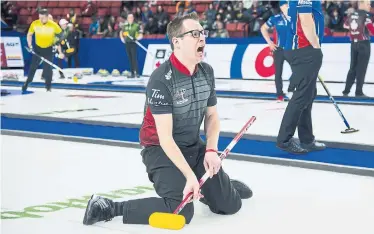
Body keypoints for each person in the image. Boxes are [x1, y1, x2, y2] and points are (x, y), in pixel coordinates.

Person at [83, 12, 252, 226]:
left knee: (231, 206)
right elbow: (165, 138)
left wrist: (211, 150)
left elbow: (212, 116)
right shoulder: (161, 79)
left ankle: (218, 189)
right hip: (160, 149)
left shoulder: (206, 72)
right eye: (195, 33)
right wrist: (190, 177)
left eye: (203, 32)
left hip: (192, 146)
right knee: (179, 210)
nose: (202, 37)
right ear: (177, 42)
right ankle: (109, 207)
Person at [276, 0, 326, 154]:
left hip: (300, 49)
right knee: (302, 96)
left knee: (308, 95)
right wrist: (316, 46)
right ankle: (284, 140)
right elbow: (305, 20)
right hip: (304, 49)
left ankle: (307, 139)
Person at [342, 0, 374, 97]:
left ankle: (346, 91)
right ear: (362, 4)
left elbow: (345, 25)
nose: (370, 6)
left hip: (353, 43)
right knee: (361, 68)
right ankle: (358, 92)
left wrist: (354, 31)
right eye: (368, 4)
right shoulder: (366, 15)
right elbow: (371, 29)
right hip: (363, 44)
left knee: (352, 68)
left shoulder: (351, 15)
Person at [23, 8, 64, 93]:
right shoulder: (35, 23)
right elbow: (29, 34)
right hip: (38, 49)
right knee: (32, 67)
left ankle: (48, 87)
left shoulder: (53, 25)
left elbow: (61, 35)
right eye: (39, 17)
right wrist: (30, 45)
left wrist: (56, 42)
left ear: (47, 17)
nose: (40, 19)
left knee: (48, 69)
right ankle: (27, 83)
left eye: (42, 18)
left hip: (48, 50)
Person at [260, 1, 290, 102]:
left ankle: (294, 91)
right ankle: (280, 95)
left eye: (287, 6)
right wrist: (270, 42)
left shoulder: (296, 18)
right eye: (284, 6)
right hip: (279, 49)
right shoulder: (276, 18)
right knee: (278, 73)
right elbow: (263, 28)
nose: (285, 8)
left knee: (298, 71)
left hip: (292, 49)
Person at [120, 13, 143, 78]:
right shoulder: (125, 26)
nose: (130, 19)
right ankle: (132, 73)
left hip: (133, 43)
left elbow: (141, 34)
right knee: (130, 59)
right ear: (127, 19)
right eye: (129, 17)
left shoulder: (136, 26)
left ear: (133, 18)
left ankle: (137, 73)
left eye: (131, 17)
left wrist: (137, 38)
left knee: (134, 58)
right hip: (127, 43)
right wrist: (122, 38)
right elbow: (121, 32)